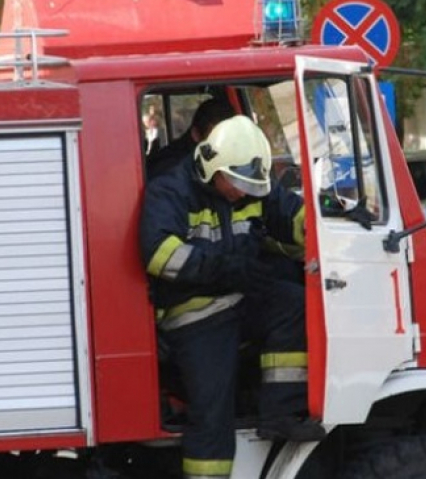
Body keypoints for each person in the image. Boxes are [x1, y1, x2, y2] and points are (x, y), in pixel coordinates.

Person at [139, 115, 324, 479]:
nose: (242, 192)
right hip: (193, 313)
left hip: (239, 297)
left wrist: (331, 221)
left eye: (251, 185)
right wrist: (223, 267)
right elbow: (159, 253)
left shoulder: (251, 182)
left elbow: (292, 213)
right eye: (235, 182)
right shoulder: (170, 190)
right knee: (212, 411)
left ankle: (280, 414)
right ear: (210, 166)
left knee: (295, 305)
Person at [146, 98, 235, 178]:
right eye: (216, 141)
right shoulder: (173, 171)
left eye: (230, 140)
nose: (224, 148)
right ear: (196, 134)